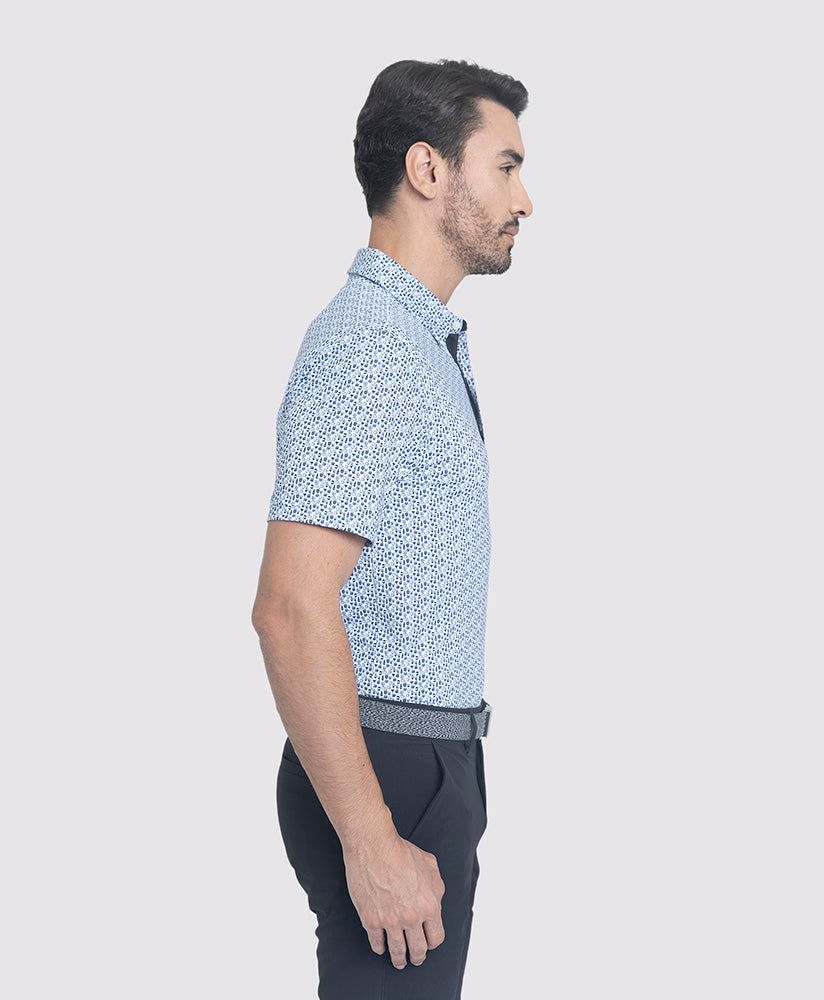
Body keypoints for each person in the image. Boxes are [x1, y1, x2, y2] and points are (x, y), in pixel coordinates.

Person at [251, 58, 533, 999]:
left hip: (420, 763)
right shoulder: (370, 343)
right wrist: (372, 838)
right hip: (387, 770)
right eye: (505, 167)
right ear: (428, 168)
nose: (525, 199)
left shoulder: (414, 338)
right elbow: (289, 607)